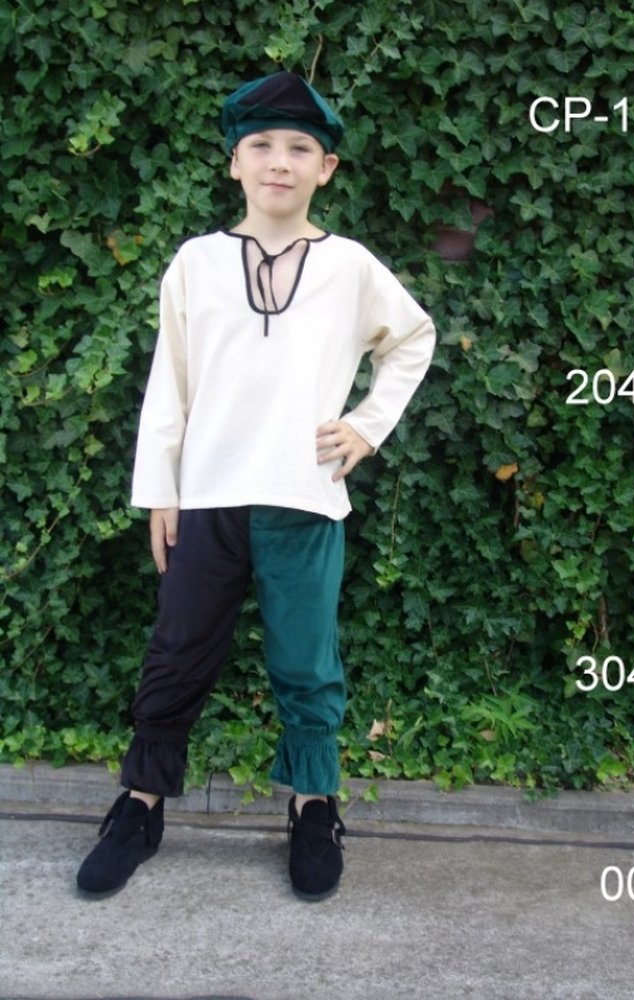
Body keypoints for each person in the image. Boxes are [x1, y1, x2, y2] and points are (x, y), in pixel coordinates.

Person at [76, 70, 436, 902]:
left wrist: (366, 426)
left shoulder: (349, 267)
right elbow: (170, 383)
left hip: (304, 496)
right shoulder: (197, 263)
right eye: (262, 145)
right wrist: (160, 490)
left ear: (326, 168)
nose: (280, 161)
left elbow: (412, 338)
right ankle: (139, 806)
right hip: (207, 497)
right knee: (177, 652)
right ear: (234, 162)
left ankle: (313, 806)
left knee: (307, 662)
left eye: (300, 148)